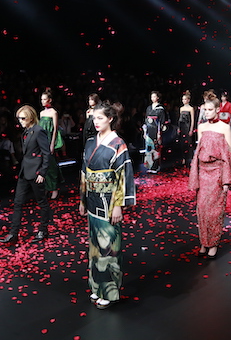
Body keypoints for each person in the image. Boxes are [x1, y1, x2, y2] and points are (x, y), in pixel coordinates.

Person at [79, 101, 135, 310]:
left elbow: (123, 177)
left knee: (109, 248)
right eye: (94, 118)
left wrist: (118, 205)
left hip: (109, 201)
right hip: (92, 199)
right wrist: (82, 200)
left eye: (100, 118)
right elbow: (84, 172)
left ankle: (110, 292)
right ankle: (96, 287)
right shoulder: (90, 142)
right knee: (94, 248)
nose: (96, 122)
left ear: (110, 119)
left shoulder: (118, 144)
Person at [188, 99, 231, 259]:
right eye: (205, 110)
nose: (206, 112)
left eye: (209, 110)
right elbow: (198, 151)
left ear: (217, 110)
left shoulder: (225, 127)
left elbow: (228, 155)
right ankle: (204, 242)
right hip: (203, 171)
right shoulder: (201, 127)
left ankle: (213, 243)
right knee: (202, 208)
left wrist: (227, 179)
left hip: (217, 172)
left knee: (215, 210)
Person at [0, 105, 52, 243]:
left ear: (30, 118)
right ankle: (13, 233)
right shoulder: (26, 132)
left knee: (41, 202)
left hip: (36, 172)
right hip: (24, 171)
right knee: (18, 202)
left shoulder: (38, 131)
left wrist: (42, 172)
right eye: (19, 118)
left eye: (23, 118)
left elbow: (46, 153)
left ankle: (43, 230)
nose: (20, 121)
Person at [40, 90, 63, 199]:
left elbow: (55, 129)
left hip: (50, 140)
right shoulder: (41, 113)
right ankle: (46, 187)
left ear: (49, 100)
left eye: (44, 99)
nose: (42, 101)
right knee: (43, 165)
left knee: (51, 165)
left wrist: (52, 144)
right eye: (42, 99)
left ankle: (54, 188)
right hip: (42, 140)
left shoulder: (54, 112)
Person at [143, 91, 167, 173]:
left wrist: (159, 133)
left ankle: (156, 167)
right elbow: (146, 120)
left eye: (154, 96)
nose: (152, 98)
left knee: (156, 148)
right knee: (148, 149)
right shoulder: (149, 108)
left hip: (156, 130)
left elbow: (162, 122)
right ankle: (149, 166)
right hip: (149, 130)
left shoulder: (160, 109)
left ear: (158, 98)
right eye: (151, 97)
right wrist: (145, 132)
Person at [178, 90, 195, 166]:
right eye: (183, 99)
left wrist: (191, 129)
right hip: (182, 127)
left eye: (185, 99)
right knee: (182, 144)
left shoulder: (191, 108)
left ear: (188, 100)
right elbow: (180, 119)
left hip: (188, 127)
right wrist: (178, 128)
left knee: (188, 143)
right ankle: (183, 158)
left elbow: (192, 120)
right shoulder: (181, 108)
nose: (183, 101)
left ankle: (189, 158)